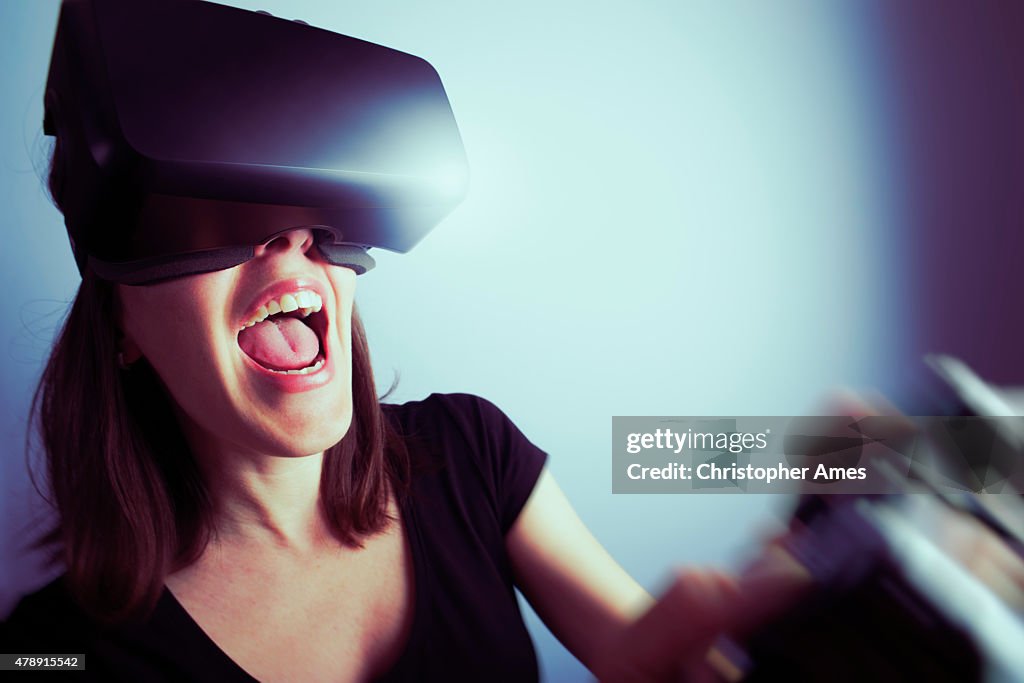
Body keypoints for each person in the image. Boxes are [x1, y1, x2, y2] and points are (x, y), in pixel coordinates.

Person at [1, 2, 804, 680]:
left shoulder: (469, 451)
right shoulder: (48, 651)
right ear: (120, 330)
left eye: (317, 223)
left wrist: (868, 486)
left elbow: (643, 649)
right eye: (212, 218)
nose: (291, 246)